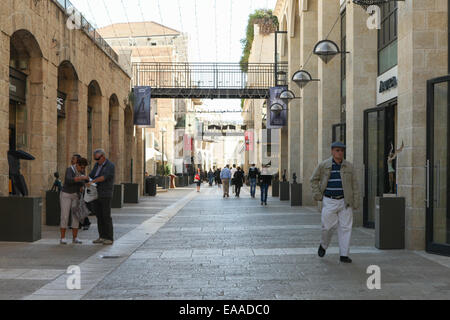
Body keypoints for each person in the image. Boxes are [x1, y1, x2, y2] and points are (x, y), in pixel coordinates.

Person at [310, 141, 360, 264]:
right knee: (327, 227)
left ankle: (344, 255)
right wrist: (318, 195)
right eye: (337, 150)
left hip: (345, 202)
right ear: (332, 151)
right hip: (329, 201)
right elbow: (313, 180)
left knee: (345, 228)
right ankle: (323, 245)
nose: (340, 152)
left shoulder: (349, 166)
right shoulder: (324, 165)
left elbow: (355, 185)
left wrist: (356, 201)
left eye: (342, 150)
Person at [88, 149, 115, 245]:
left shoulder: (110, 165)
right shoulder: (96, 165)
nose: (96, 161)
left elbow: (104, 177)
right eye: (95, 159)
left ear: (103, 157)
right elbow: (92, 175)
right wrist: (87, 179)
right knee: (99, 216)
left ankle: (109, 237)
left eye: (98, 159)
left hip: (105, 194)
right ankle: (102, 236)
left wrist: (93, 181)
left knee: (106, 216)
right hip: (96, 193)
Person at [59, 157, 90, 244]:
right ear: (77, 165)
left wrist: (83, 185)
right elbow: (68, 180)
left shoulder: (82, 172)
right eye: (81, 167)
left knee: (76, 216)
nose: (83, 169)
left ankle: (75, 237)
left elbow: (82, 182)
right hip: (66, 194)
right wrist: (81, 178)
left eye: (84, 168)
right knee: (64, 216)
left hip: (76, 195)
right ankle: (62, 238)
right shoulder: (69, 169)